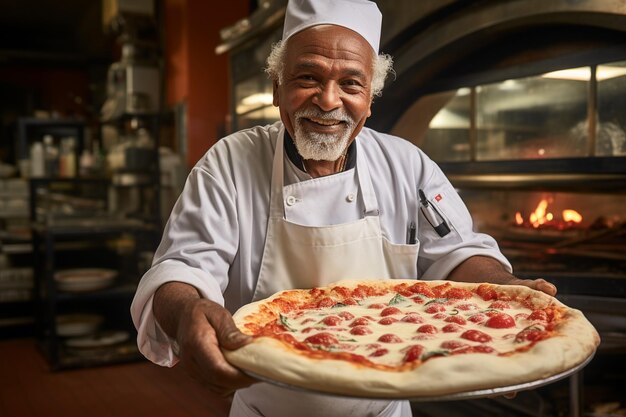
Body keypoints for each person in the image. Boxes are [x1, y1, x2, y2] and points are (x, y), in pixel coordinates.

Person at [131, 0, 557, 416]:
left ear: (370, 99)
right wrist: (187, 310)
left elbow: (459, 252)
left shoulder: (405, 163)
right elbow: (182, 269)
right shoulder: (229, 162)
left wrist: (505, 294)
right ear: (277, 87)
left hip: (385, 409)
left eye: (351, 84)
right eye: (308, 77)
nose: (329, 101)